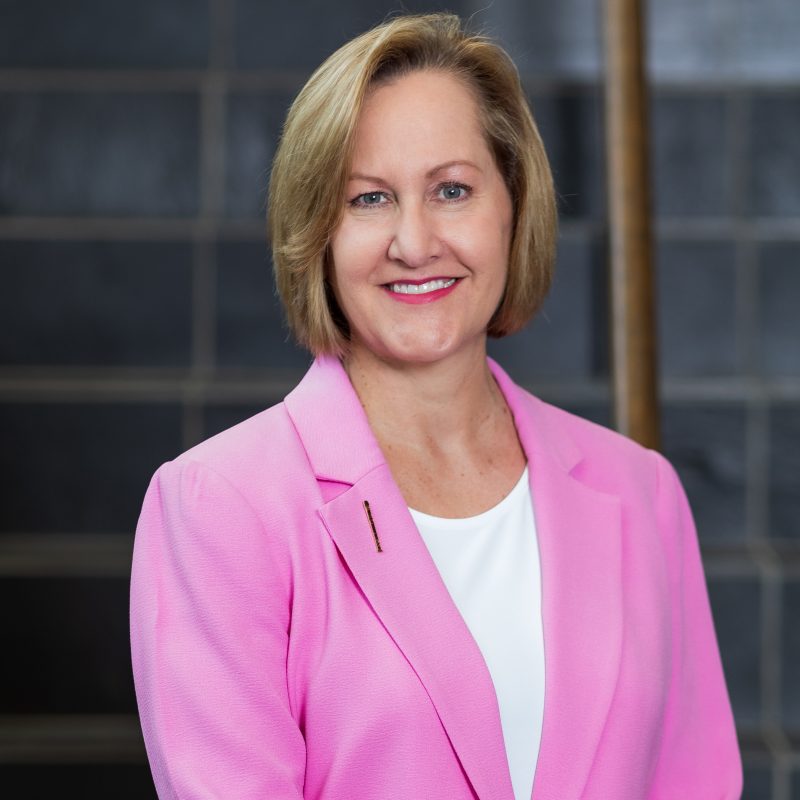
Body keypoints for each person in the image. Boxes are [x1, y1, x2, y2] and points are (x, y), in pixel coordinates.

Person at [130, 13, 742, 799]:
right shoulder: (220, 507)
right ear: (315, 231)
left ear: (512, 209)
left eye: (452, 190)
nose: (414, 243)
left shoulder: (642, 490)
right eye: (370, 199)